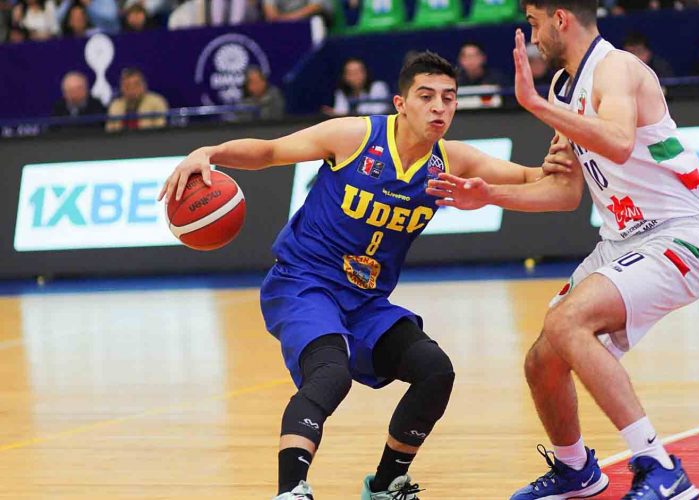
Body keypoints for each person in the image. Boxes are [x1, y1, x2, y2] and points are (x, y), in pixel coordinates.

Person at [158, 51, 560, 500]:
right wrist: (209, 152)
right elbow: (270, 151)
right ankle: (290, 491)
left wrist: (571, 151)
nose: (438, 107)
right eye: (426, 96)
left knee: (435, 371)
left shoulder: (452, 160)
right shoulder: (354, 136)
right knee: (331, 374)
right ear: (400, 103)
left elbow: (532, 177)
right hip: (304, 283)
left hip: (366, 301)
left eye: (448, 98)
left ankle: (386, 486)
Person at [429, 1, 699, 498]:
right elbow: (565, 193)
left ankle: (660, 467)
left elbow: (620, 142)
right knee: (541, 360)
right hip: (621, 240)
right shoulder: (562, 88)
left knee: (567, 323)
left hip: (678, 233)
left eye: (534, 22)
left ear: (560, 18)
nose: (532, 35)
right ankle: (576, 469)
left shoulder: (616, 68)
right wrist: (489, 194)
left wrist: (537, 105)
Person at [106, 67, 169, 132]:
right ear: (121, 88)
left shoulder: (156, 102)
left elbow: (161, 131)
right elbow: (109, 133)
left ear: (144, 85)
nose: (132, 90)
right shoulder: (115, 106)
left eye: (136, 85)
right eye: (127, 86)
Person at [324, 57, 391, 116]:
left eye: (358, 71)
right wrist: (335, 114)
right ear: (344, 76)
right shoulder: (341, 92)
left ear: (365, 73)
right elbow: (341, 114)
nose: (355, 76)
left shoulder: (378, 87)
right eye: (350, 73)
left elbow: (378, 111)